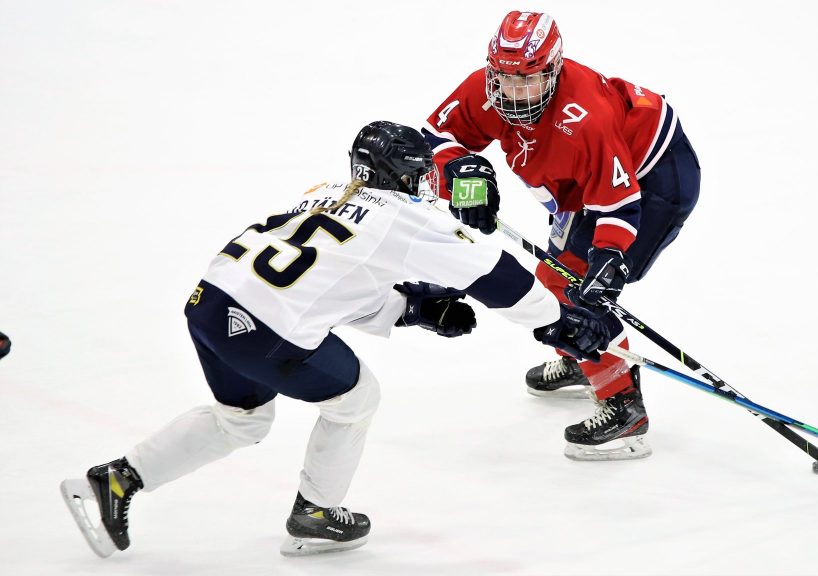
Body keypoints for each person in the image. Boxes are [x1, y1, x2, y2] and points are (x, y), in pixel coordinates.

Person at [60, 121, 609, 559]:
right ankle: (317, 514)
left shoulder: (321, 194)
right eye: (416, 172)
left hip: (210, 306)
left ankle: (115, 481)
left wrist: (412, 309)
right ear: (399, 174)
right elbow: (497, 276)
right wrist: (554, 319)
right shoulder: (401, 217)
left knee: (241, 419)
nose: (422, 183)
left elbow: (329, 288)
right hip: (261, 327)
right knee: (355, 398)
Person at [422, 11, 701, 461]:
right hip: (585, 184)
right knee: (557, 279)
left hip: (651, 180)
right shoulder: (488, 87)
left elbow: (617, 202)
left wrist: (609, 257)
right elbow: (434, 137)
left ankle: (623, 407)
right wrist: (460, 174)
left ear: (553, 69)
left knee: (577, 290)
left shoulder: (586, 117)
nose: (512, 94)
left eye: (527, 81)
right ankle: (581, 357)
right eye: (504, 79)